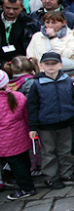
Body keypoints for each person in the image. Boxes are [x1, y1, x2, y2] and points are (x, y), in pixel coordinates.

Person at [27, 51, 74, 189]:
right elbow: (32, 107)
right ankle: (51, 177)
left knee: (65, 149)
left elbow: (73, 98)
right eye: (47, 64)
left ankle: (66, 172)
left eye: (54, 64)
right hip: (46, 124)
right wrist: (33, 127)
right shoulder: (37, 84)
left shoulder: (67, 81)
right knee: (49, 152)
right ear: (41, 65)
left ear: (60, 65)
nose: (51, 67)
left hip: (65, 121)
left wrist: (73, 113)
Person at [0, 70, 37, 200]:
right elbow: (27, 115)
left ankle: (27, 188)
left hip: (4, 140)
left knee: (16, 164)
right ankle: (26, 179)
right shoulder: (18, 96)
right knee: (24, 159)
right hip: (21, 134)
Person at [1, 0, 38, 65]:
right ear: (2, 6)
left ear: (22, 7)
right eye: (7, 8)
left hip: (21, 63)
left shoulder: (30, 23)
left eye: (15, 9)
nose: (11, 11)